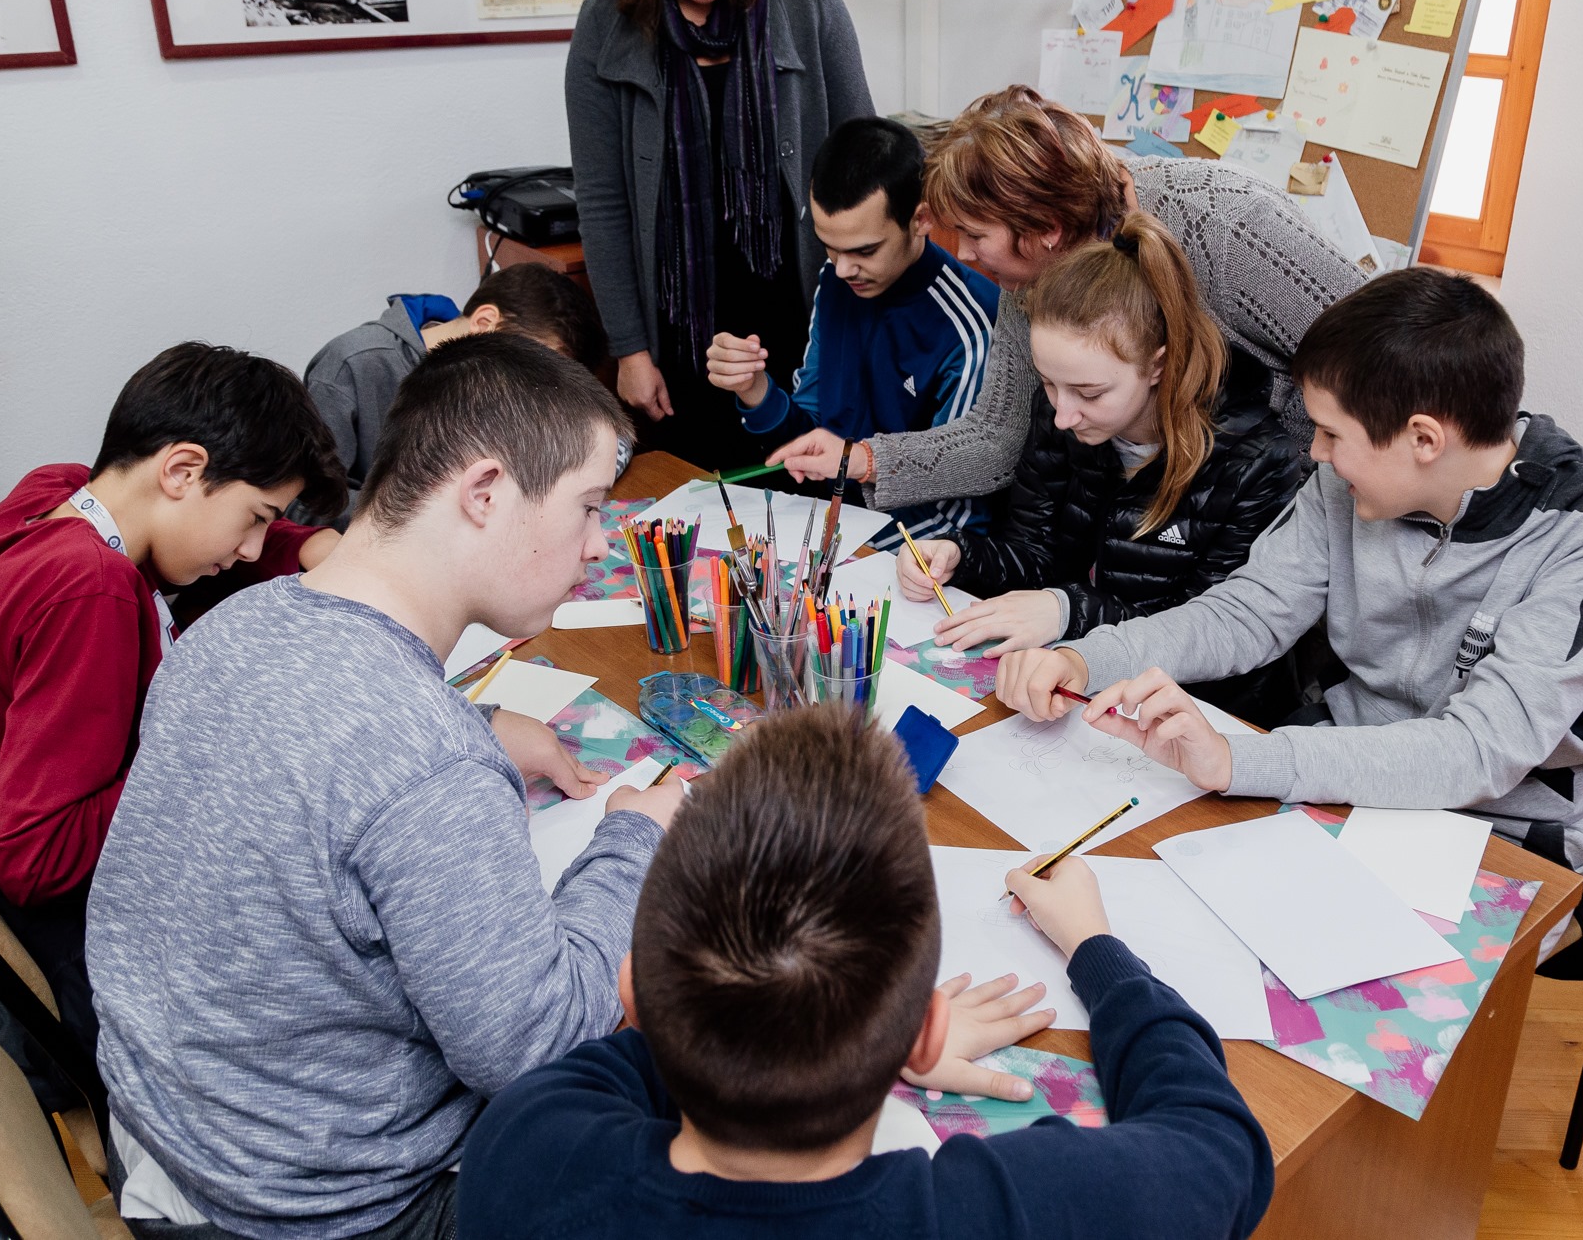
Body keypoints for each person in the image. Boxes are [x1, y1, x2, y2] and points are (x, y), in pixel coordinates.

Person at [89, 334, 686, 1240]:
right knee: (709, 1063)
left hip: (170, 1131)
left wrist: (476, 727)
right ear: (485, 492)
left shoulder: (234, 622)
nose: (599, 542)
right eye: (589, 507)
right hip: (318, 1209)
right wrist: (636, 838)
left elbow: (334, 751)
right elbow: (540, 1042)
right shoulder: (427, 761)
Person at [457, 705, 1275, 1240]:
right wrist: (1096, 948)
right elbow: (1222, 1147)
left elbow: (662, 1032)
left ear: (632, 993)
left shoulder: (524, 1150)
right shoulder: (995, 1216)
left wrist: (843, 1037)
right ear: (927, 1034)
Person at [997, 270, 1583, 875]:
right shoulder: (1345, 483)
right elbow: (1248, 612)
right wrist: (1087, 659)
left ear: (1423, 439)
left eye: (1331, 433)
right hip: (1335, 775)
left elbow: (1480, 751)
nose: (1316, 454)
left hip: (1502, 830)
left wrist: (1238, 760)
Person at [0, 343, 346, 1088]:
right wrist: (212, 741)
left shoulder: (53, 493)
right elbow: (36, 859)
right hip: (50, 929)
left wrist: (308, 544)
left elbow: (211, 548)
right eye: (256, 518)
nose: (251, 547)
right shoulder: (89, 591)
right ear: (182, 470)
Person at [768, 85, 1362, 508]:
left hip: (1320, 489)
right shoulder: (1030, 279)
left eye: (974, 234)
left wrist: (1320, 490)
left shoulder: (1223, 223)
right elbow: (996, 438)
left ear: (1045, 229)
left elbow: (1380, 351)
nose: (964, 254)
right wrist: (863, 459)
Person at [899, 214, 1304, 724]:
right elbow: (1033, 554)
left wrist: (1065, 609)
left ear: (1157, 365)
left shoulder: (1256, 461)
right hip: (1077, 685)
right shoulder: (1063, 416)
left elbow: (1206, 632)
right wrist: (960, 555)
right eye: (1049, 383)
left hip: (1204, 714)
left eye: (1089, 393)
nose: (1063, 415)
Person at [567, 0, 875, 472]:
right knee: (703, 495)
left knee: (809, 482)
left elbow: (863, 158)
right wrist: (630, 351)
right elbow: (603, 205)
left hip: (807, 309)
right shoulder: (605, 22)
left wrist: (868, 318)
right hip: (682, 329)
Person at [704, 116, 998, 547]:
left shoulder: (970, 326)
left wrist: (842, 554)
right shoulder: (837, 282)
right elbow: (809, 441)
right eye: (829, 246)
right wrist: (755, 390)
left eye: (865, 250)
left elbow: (958, 516)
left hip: (905, 556)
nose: (842, 269)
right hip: (827, 532)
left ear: (921, 218)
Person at [304, 263, 613, 522]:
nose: (534, 390)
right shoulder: (353, 364)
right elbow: (304, 505)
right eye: (532, 368)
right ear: (485, 323)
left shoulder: (498, 382)